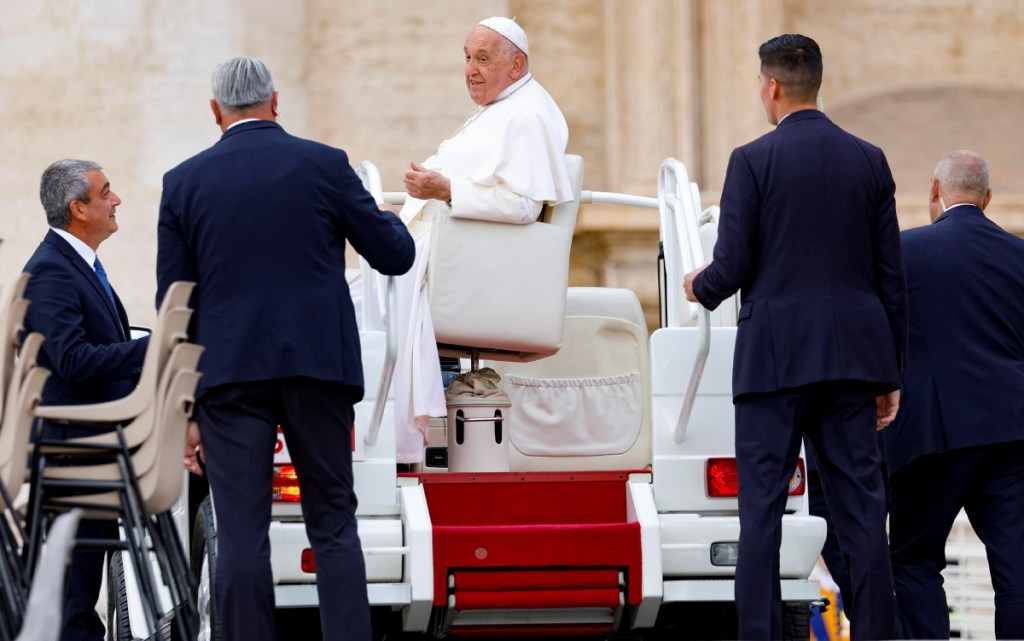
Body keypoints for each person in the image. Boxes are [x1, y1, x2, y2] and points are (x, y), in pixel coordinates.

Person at [156, 57, 415, 641]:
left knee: (242, 533)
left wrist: (184, 410)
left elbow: (174, 305)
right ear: (275, 101)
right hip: (318, 366)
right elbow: (393, 256)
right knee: (332, 523)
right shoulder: (325, 165)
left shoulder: (183, 182)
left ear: (216, 111)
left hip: (226, 375)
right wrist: (388, 219)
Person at [683, 34, 906, 640]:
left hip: (774, 362)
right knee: (862, 509)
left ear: (772, 86)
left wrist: (696, 285)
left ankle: (760, 634)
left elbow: (730, 267)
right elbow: (892, 279)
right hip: (854, 360)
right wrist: (892, 375)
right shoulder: (870, 159)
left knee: (762, 510)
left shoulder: (751, 160)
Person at [390, 16, 575, 463]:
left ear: (516, 65)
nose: (470, 69)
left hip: (466, 267)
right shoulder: (502, 107)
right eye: (468, 58)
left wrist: (444, 190)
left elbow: (523, 206)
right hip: (444, 253)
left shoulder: (529, 113)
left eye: (483, 59)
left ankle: (395, 446)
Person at [885, 150, 1024, 639]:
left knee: (913, 559)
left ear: (933, 192)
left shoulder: (905, 251)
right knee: (1017, 571)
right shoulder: (1020, 257)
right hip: (1011, 434)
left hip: (929, 434)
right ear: (987, 198)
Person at [22, 159, 150, 641]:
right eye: (106, 192)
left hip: (90, 444)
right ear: (78, 208)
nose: (116, 200)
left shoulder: (79, 264)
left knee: (78, 585)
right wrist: (156, 348)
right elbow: (72, 361)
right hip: (75, 446)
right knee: (72, 595)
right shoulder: (52, 271)